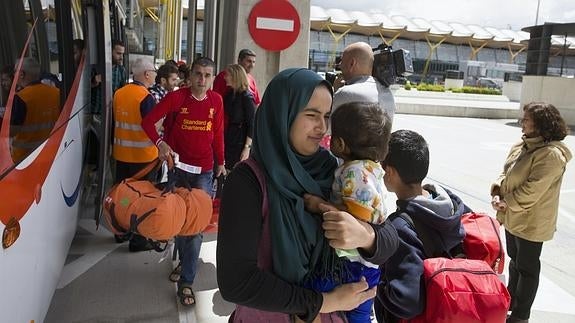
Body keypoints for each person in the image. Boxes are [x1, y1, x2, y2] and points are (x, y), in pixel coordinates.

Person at [217, 68, 399, 322]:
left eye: (326, 116)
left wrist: (365, 235)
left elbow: (390, 238)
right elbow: (237, 282)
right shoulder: (248, 181)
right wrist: (324, 302)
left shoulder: (331, 167)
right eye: (312, 115)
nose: (322, 128)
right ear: (283, 114)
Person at [141, 57, 226, 307]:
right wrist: (159, 143)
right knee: (180, 222)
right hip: (177, 170)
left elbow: (218, 133)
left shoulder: (216, 101)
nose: (202, 79)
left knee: (196, 227)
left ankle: (186, 281)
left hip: (204, 172)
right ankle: (183, 262)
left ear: (212, 78)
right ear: (190, 76)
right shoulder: (176, 98)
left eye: (207, 75)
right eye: (198, 74)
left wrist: (221, 161)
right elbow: (147, 122)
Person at [305, 101, 391, 322]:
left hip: (351, 265)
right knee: (359, 314)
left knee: (311, 289)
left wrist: (319, 205)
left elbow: (355, 218)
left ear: (340, 144)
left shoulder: (354, 172)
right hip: (369, 267)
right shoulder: (372, 169)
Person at [375, 129, 468, 323]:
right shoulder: (452, 206)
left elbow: (407, 302)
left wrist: (377, 284)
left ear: (390, 172)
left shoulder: (401, 227)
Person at [491, 102, 571, 323]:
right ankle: (511, 302)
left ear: (541, 124)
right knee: (515, 262)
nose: (522, 122)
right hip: (513, 216)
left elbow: (533, 189)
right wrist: (498, 191)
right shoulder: (522, 145)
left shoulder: (551, 155)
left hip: (532, 221)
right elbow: (505, 173)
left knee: (527, 268)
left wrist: (507, 202)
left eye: (526, 119)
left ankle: (520, 315)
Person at [112, 58, 158, 252]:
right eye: (154, 71)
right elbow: (153, 128)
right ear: (146, 74)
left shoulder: (119, 93)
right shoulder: (146, 97)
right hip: (144, 159)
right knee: (141, 200)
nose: (156, 75)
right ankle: (138, 241)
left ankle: (120, 231)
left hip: (121, 156)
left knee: (123, 196)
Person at [10, 57, 60, 163]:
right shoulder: (56, 92)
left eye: (15, 71)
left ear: (22, 74)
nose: (14, 75)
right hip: (49, 152)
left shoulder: (20, 98)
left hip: (24, 158)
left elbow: (11, 131)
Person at [332, 42, 396, 121]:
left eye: (342, 61)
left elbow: (327, 128)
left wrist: (337, 92)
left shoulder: (345, 93)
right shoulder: (388, 94)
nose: (340, 65)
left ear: (352, 63)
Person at [222, 64, 256, 168]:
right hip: (231, 135)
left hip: (241, 138)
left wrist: (247, 147)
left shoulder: (247, 97)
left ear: (235, 76)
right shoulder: (230, 94)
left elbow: (252, 123)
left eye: (227, 75)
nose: (225, 77)